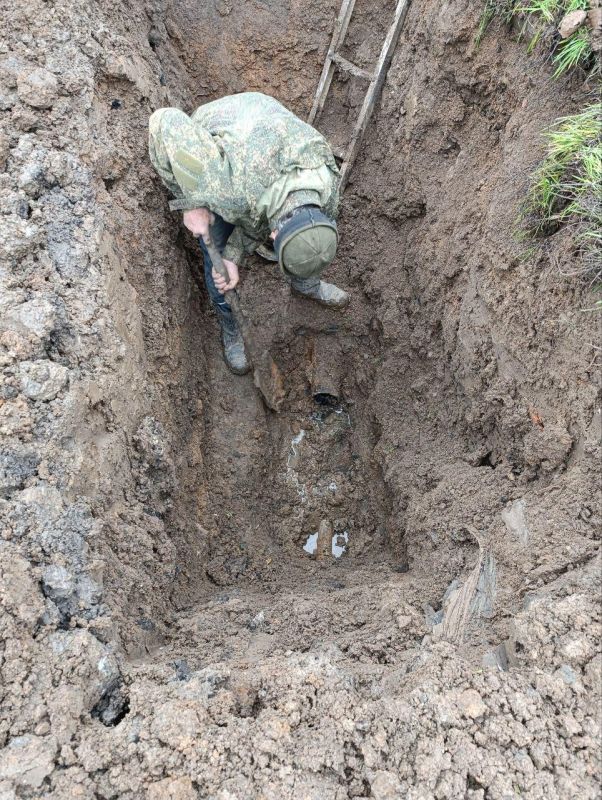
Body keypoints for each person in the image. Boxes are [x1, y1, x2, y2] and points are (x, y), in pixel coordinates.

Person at [148, 92, 349, 375]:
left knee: (298, 244)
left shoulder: (325, 180)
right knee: (216, 257)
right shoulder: (223, 185)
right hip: (221, 129)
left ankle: (306, 283)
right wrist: (189, 202)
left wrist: (240, 251)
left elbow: (260, 219)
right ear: (274, 233)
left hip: (266, 130)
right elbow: (164, 120)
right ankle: (230, 327)